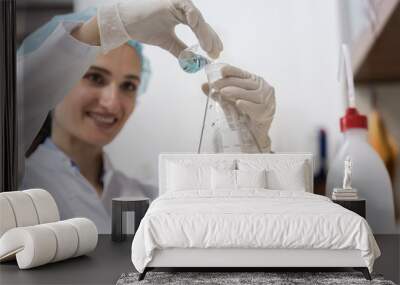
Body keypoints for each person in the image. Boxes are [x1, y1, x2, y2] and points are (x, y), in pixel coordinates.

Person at [19, 0, 276, 233]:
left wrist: (253, 144)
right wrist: (98, 30)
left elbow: (238, 225)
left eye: (128, 86)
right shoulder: (17, 182)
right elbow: (17, 97)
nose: (112, 102)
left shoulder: (147, 196)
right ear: (58, 77)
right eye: (95, 77)